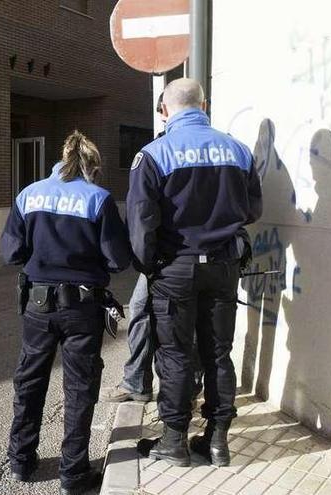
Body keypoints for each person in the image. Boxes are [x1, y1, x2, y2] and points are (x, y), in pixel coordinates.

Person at [128, 79, 262, 467]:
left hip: (175, 269)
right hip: (223, 266)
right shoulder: (237, 149)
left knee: (175, 355)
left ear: (166, 110)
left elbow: (140, 224)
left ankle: (174, 440)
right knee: (218, 353)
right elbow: (253, 210)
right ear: (204, 104)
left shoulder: (153, 155)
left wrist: (150, 265)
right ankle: (218, 442)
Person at [1, 131, 132, 495]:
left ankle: (20, 462)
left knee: (29, 382)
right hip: (82, 308)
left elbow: (11, 253)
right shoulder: (99, 199)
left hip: (38, 306)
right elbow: (118, 259)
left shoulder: (29, 194)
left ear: (59, 160)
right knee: (79, 388)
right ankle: (73, 475)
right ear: (93, 166)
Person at [100, 92, 203, 405]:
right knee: (164, 317)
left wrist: (144, 261)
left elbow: (142, 214)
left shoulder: (157, 151)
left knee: (154, 317)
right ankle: (147, 383)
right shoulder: (219, 145)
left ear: (164, 110)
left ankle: (160, 389)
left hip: (166, 257)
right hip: (204, 255)